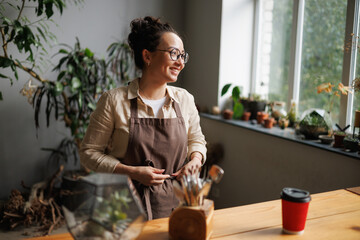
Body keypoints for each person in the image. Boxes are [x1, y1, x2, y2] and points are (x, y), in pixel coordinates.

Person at [79, 16, 207, 220]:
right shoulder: (113, 100)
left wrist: (196, 160)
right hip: (123, 205)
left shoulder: (185, 100)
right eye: (174, 53)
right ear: (147, 56)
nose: (180, 62)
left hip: (174, 204)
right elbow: (89, 153)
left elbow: (196, 140)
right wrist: (132, 172)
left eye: (183, 55)